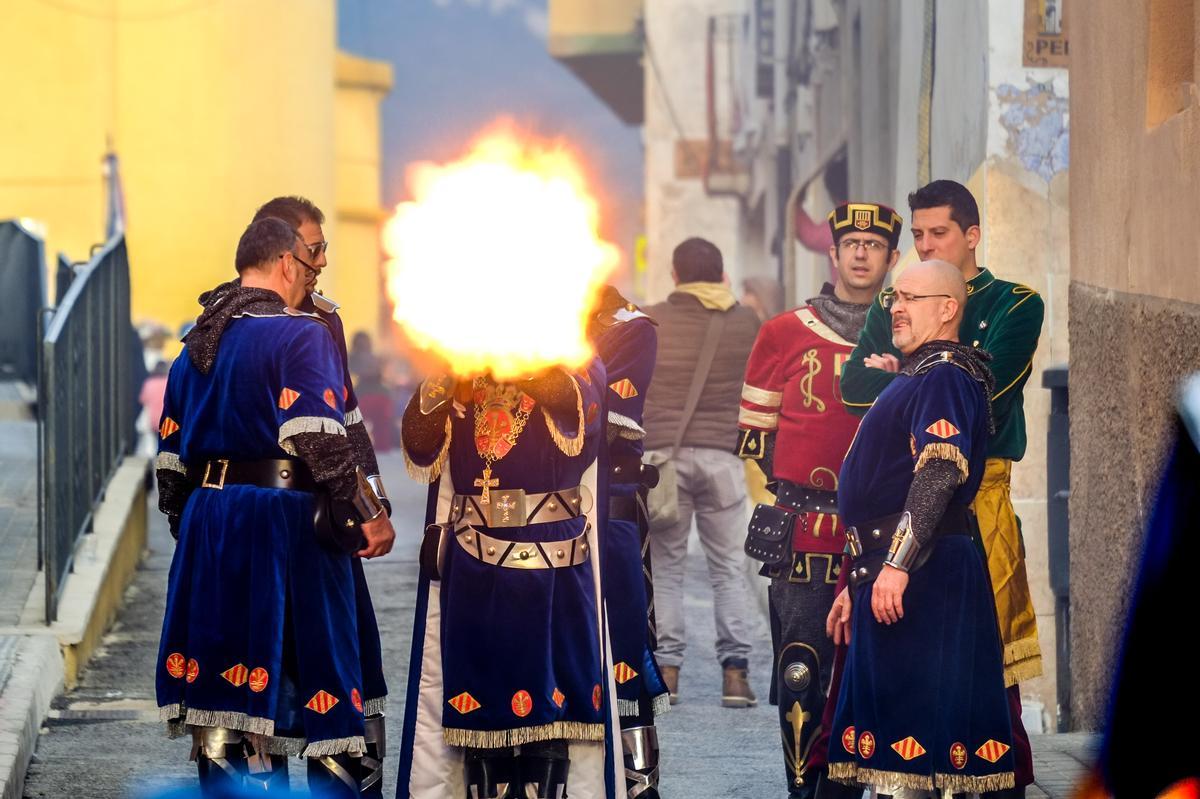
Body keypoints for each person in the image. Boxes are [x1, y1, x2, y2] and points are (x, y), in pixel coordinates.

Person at [154, 217, 396, 796]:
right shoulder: (299, 334)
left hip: (210, 526)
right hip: (286, 523)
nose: (315, 278)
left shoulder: (196, 343)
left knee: (225, 693)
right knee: (325, 677)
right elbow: (317, 437)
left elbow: (169, 466)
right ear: (286, 263)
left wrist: (197, 530)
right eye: (312, 265)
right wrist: (369, 510)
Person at [839, 180, 1042, 795]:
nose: (892, 307)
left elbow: (937, 472)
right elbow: (854, 389)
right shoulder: (925, 372)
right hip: (892, 568)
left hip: (921, 571)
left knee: (921, 762)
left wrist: (895, 565)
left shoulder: (947, 373)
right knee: (900, 756)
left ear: (948, 309)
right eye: (894, 297)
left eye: (908, 298)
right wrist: (862, 573)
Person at [396, 360, 621, 797]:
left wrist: (520, 354)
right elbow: (418, 442)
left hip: (551, 557)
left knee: (552, 709)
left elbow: (581, 417)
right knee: (480, 711)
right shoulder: (460, 360)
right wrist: (445, 374)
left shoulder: (569, 351)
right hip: (472, 557)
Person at [737, 202, 899, 797]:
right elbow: (756, 436)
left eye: (873, 245)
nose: (861, 253)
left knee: (876, 674)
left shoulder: (908, 335)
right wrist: (806, 486)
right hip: (805, 535)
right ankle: (804, 790)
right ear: (832, 253)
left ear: (892, 258)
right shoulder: (780, 332)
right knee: (803, 669)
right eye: (851, 242)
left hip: (883, 538)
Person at [641, 237, 761, 707]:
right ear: (721, 274)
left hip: (664, 460)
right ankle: (736, 676)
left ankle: (668, 673)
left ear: (675, 274)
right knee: (728, 569)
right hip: (723, 458)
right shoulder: (746, 321)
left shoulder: (651, 320)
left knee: (667, 568)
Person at [589, 285, 669, 797]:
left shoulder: (629, 326)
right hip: (518, 521)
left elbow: (609, 422)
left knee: (622, 649)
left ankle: (637, 783)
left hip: (609, 508)